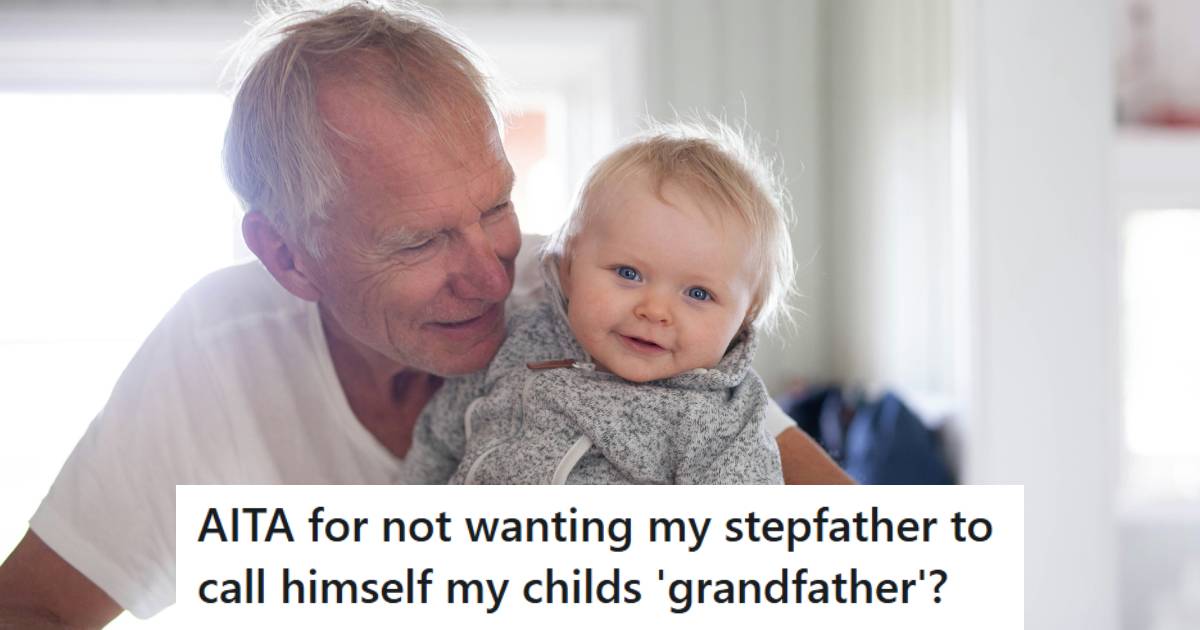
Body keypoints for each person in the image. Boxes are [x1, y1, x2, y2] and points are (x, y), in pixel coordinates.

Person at [0, 1, 851, 627]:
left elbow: (864, 564)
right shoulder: (216, 354)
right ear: (288, 256)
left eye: (495, 209)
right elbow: (34, 606)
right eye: (417, 243)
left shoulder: (588, 303)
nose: (489, 276)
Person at [422, 122, 792, 484]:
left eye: (698, 294)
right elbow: (438, 438)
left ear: (746, 317)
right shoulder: (521, 337)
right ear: (568, 268)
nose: (655, 311)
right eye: (628, 273)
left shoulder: (722, 421)